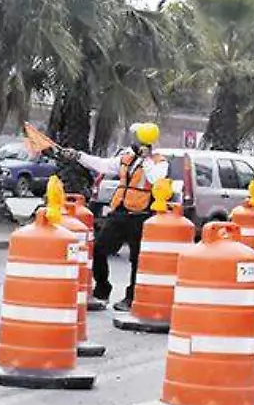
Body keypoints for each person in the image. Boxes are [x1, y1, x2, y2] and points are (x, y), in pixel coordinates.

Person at [53, 123, 169, 310]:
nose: (132, 142)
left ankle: (131, 298)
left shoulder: (159, 162)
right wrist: (78, 156)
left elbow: (156, 179)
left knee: (137, 259)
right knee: (99, 249)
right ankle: (102, 289)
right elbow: (103, 165)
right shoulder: (126, 159)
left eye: (136, 138)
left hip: (141, 215)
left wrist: (145, 158)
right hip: (120, 212)